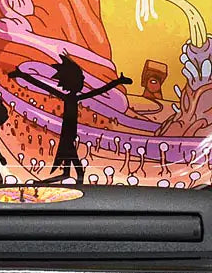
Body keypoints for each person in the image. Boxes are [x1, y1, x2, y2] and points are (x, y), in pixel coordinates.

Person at [9, 56, 131, 185]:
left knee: (67, 173)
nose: (83, 81)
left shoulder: (70, 98)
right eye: (81, 79)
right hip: (68, 136)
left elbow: (100, 90)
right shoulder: (70, 98)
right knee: (77, 171)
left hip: (69, 135)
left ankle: (41, 184)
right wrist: (22, 75)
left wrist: (118, 81)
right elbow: (43, 86)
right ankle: (44, 184)